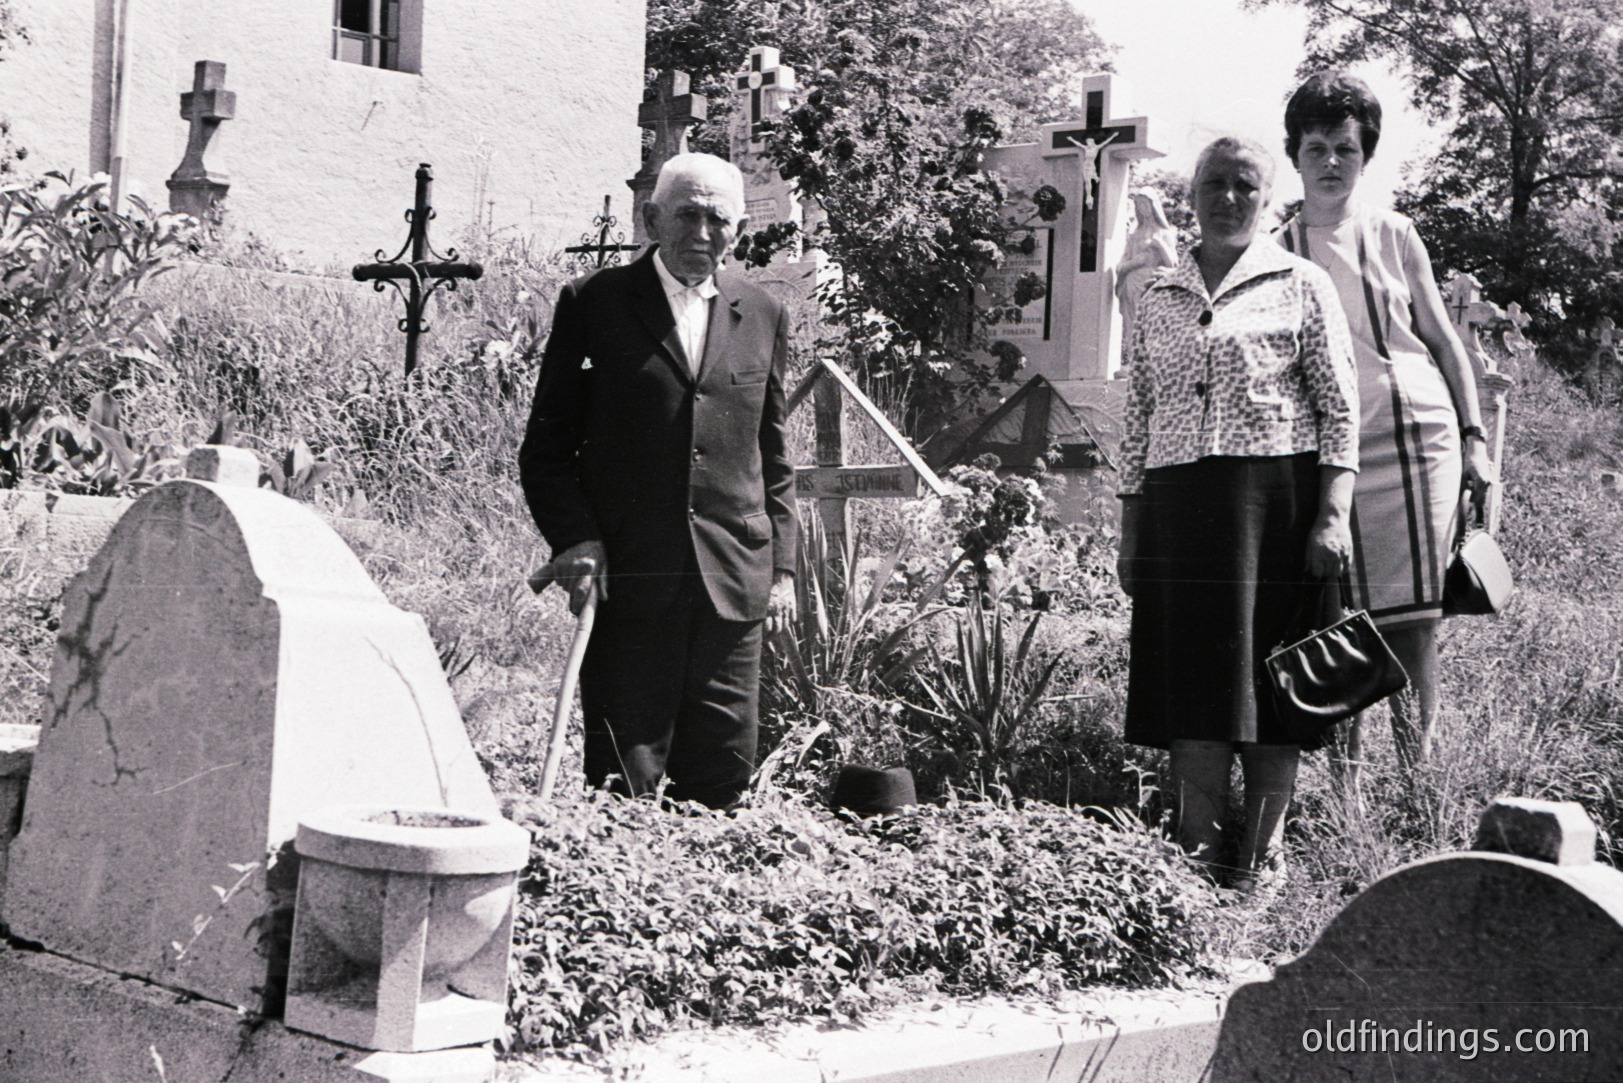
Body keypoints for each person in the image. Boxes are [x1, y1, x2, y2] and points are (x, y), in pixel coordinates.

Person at [1116, 135, 1360, 890]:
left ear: (1266, 197)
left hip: (1276, 509)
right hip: (1179, 507)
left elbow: (1340, 406)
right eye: (1214, 184)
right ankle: (1195, 851)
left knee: (1272, 688)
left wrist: (1332, 513)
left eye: (1244, 186)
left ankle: (1262, 857)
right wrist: (1130, 527)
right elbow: (1137, 411)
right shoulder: (1157, 294)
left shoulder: (1300, 282)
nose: (1227, 198)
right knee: (1192, 686)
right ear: (1190, 195)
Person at [519, 152, 797, 810]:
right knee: (623, 774)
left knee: (723, 775)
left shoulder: (761, 312)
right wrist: (575, 539)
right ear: (651, 219)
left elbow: (775, 451)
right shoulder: (596, 303)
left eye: (718, 220)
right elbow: (547, 447)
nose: (703, 233)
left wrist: (782, 565)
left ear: (737, 230)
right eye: (688, 215)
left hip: (732, 578)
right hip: (631, 575)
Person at [1277, 73, 1494, 792]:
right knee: (1341, 619)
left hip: (1415, 437)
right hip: (1327, 454)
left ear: (1364, 155)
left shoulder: (1394, 233)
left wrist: (1472, 437)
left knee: (1412, 618)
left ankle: (1418, 782)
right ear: (1295, 153)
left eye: (1345, 147)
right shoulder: (1275, 247)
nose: (1331, 161)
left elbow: (1440, 339)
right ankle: (1347, 793)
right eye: (1316, 146)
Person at [1114, 187, 1178, 352]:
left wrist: (1160, 245)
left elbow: (1173, 265)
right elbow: (1120, 266)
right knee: (1133, 325)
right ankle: (1134, 362)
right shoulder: (1134, 235)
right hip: (1131, 285)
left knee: (1151, 324)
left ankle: (1150, 362)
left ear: (1153, 205)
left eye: (1145, 204)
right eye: (1139, 204)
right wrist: (1135, 262)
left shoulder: (1164, 233)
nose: (1142, 208)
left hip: (1151, 285)